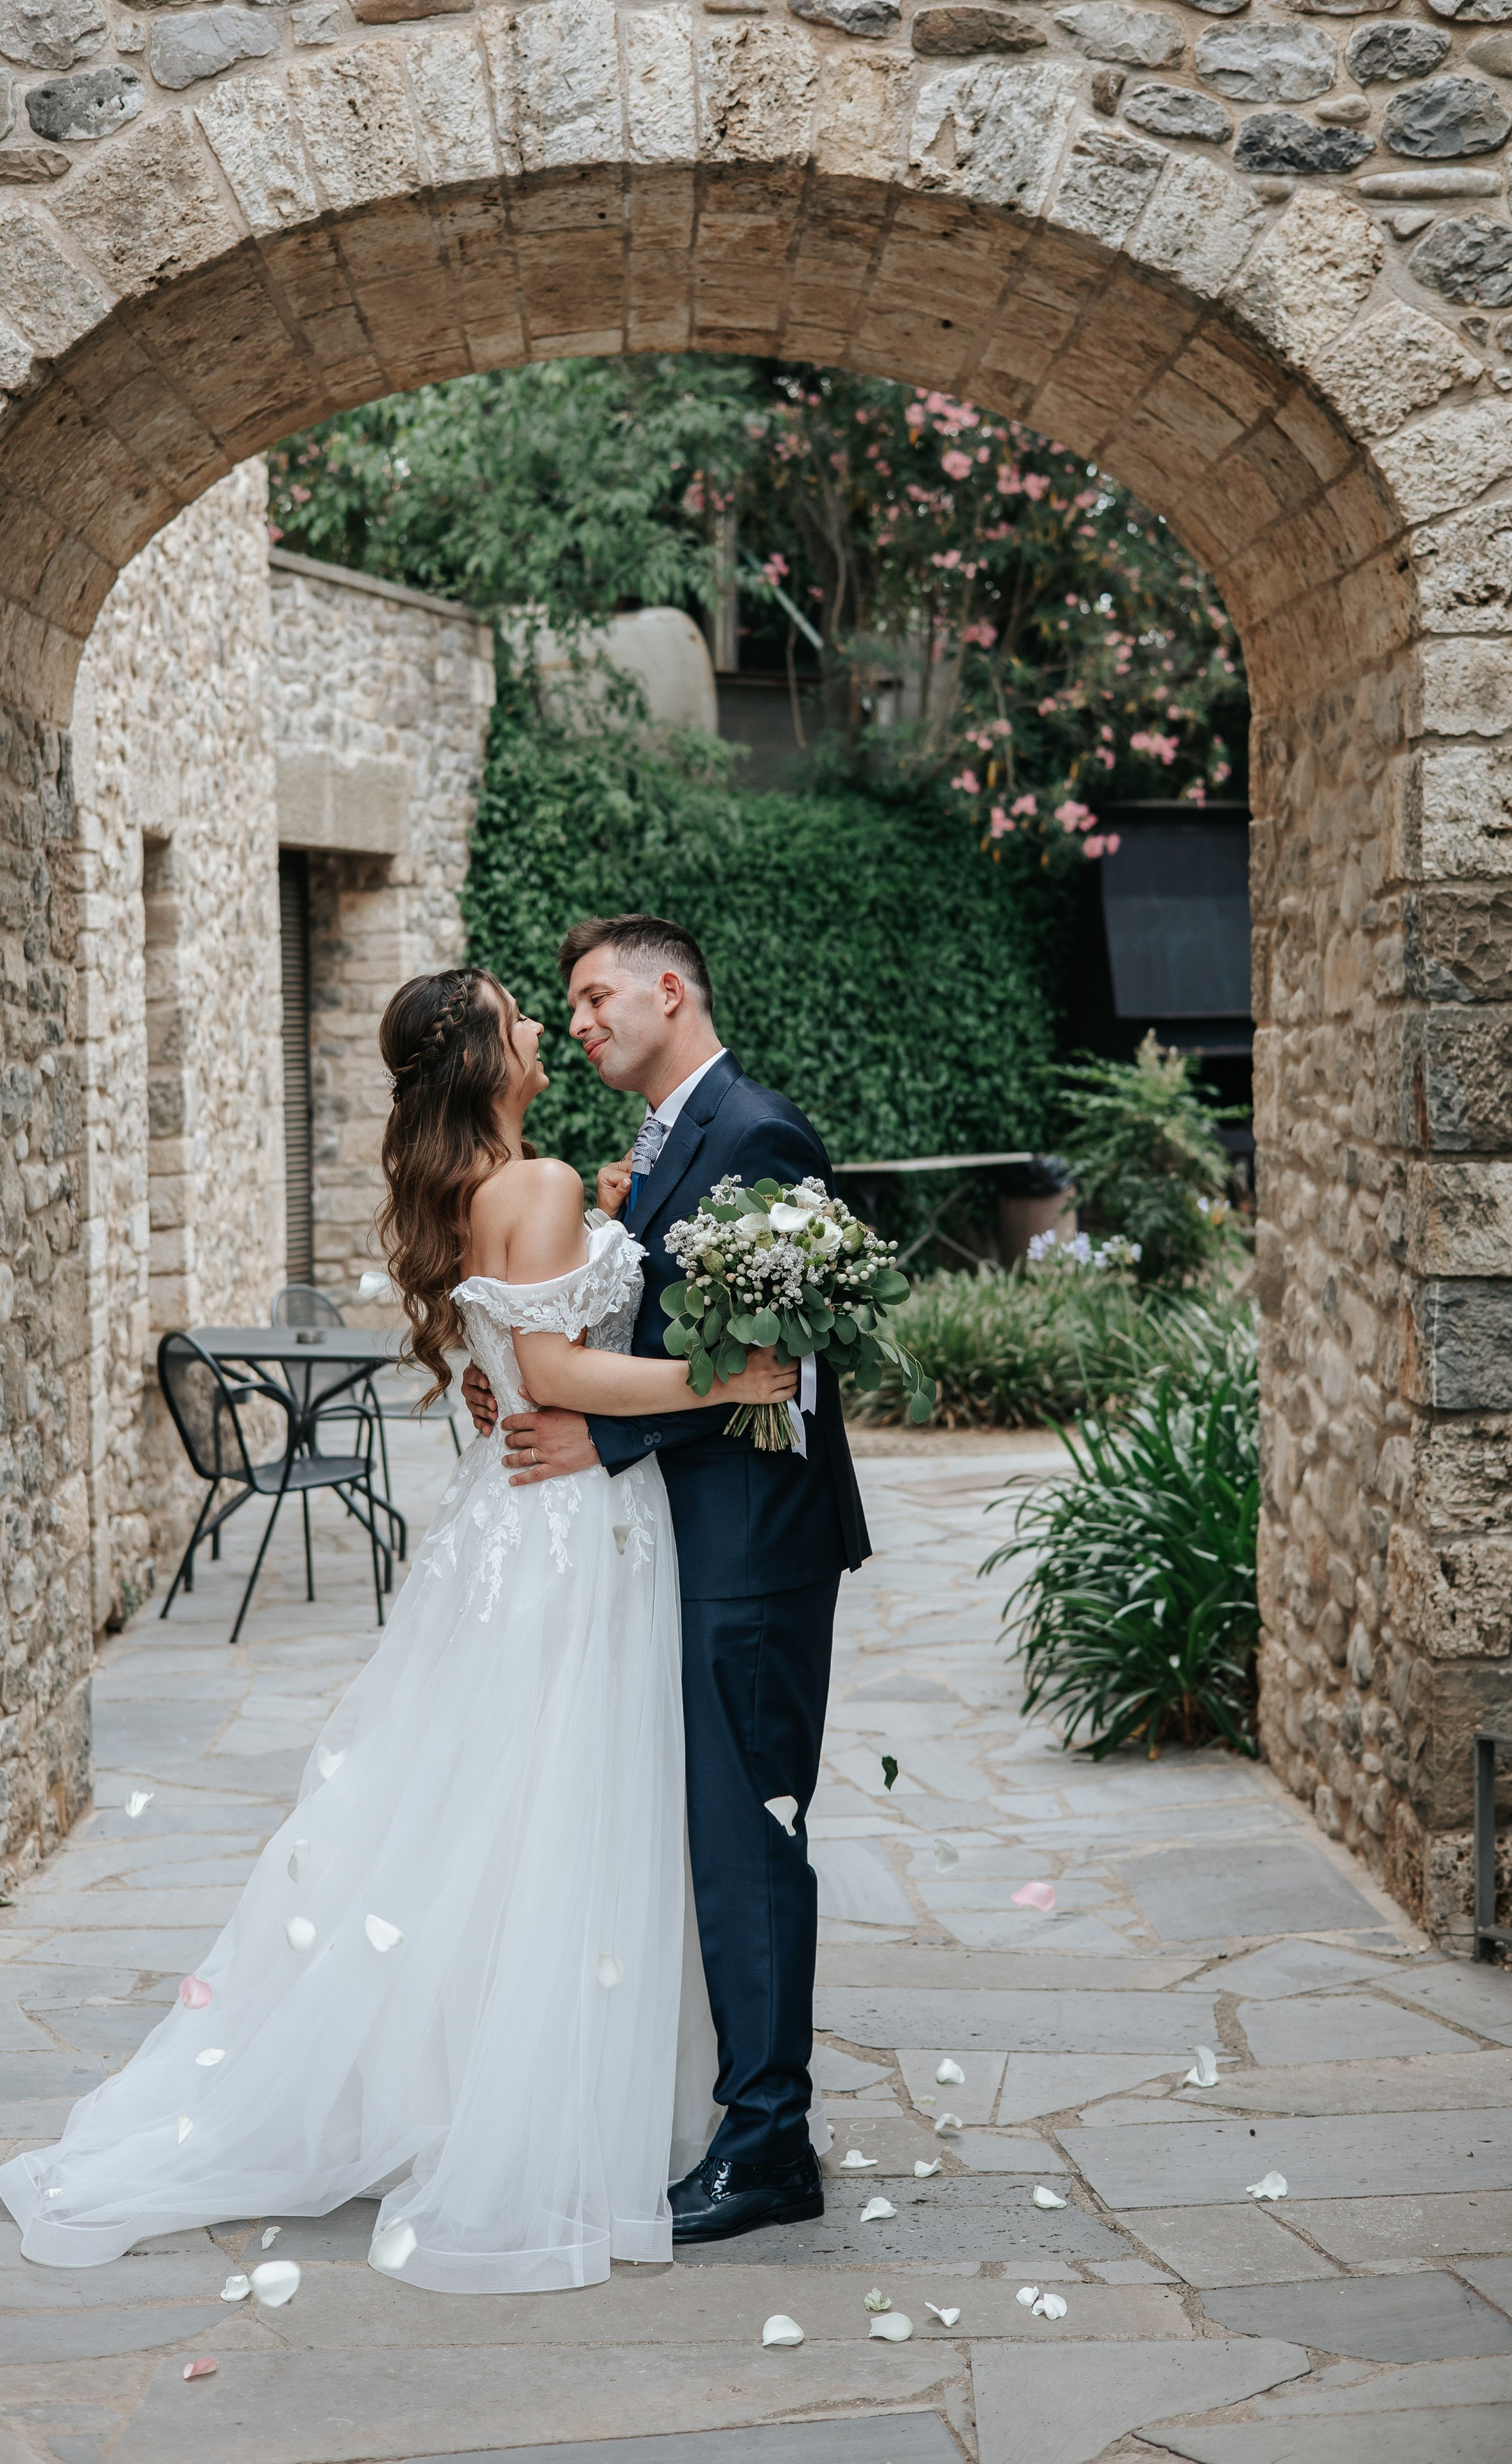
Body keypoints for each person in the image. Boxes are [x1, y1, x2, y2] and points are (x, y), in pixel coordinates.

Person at [0, 967, 795, 2292]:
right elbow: (545, 1375)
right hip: (567, 1528)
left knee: (488, 1812)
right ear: (484, 1054)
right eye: (520, 1013)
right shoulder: (525, 1188)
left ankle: (455, 2080)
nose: (546, 1026)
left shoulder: (492, 1192)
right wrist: (729, 1374)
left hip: (513, 1524)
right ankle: (522, 2111)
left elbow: (510, 1356)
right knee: (558, 1810)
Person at [462, 914, 871, 2245]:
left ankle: (767, 2148)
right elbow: (656, 1330)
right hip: (687, 1539)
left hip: (753, 1544)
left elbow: (783, 1369)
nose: (576, 1024)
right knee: (715, 1839)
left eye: (594, 999)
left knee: (750, 1844)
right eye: (566, 1007)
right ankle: (746, 2116)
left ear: (669, 989)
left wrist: (607, 1424)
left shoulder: (753, 1132)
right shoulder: (660, 1144)